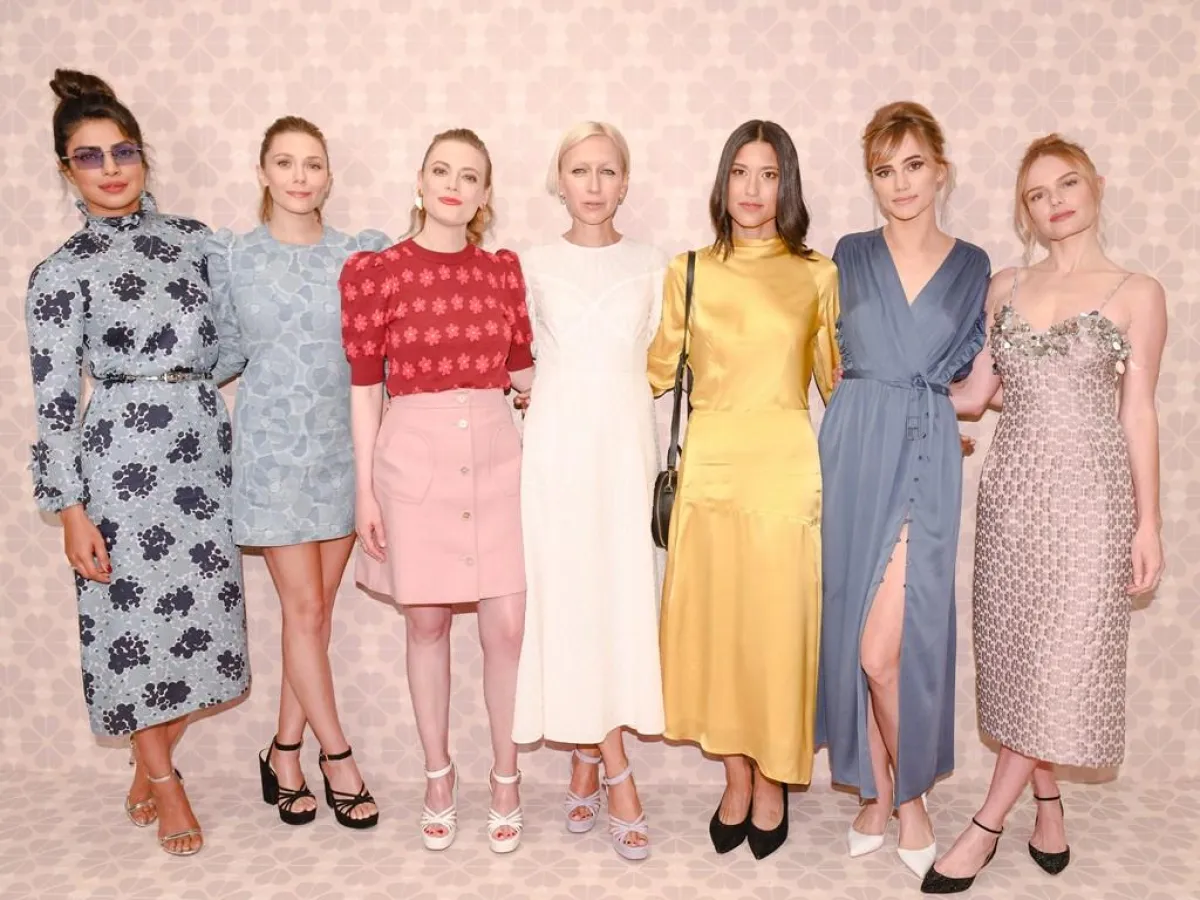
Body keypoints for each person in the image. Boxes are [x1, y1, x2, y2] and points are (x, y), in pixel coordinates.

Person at [922, 134, 1167, 894]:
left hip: (1092, 501)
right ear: (1023, 211)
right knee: (1021, 656)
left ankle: (985, 825)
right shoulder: (1004, 287)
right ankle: (1048, 799)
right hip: (1014, 497)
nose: (1054, 201)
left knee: (1065, 658)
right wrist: (881, 386)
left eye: (1066, 184)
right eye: (1036, 194)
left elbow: (1139, 412)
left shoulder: (1138, 292)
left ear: (1096, 185)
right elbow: (975, 395)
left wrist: (1149, 524)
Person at [26, 69, 249, 857]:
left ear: (143, 155)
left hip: (200, 456)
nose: (111, 168)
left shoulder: (197, 242)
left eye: (123, 150)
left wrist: (185, 390)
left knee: (206, 636)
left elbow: (233, 343)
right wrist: (70, 509)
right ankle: (164, 778)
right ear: (67, 171)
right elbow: (54, 401)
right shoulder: (60, 273)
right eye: (89, 157)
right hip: (117, 464)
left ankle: (145, 759)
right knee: (130, 629)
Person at [646, 120, 839, 861]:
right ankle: (735, 776)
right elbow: (654, 370)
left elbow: (839, 384)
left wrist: (916, 429)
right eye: (740, 172)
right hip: (711, 469)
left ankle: (773, 779)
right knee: (717, 631)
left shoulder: (817, 275)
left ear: (786, 185)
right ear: (722, 181)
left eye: (769, 174)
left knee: (778, 632)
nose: (753, 189)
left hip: (785, 469)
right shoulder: (688, 270)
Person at [339, 128, 534, 854]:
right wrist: (366, 493)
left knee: (506, 626)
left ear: (485, 195)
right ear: (419, 182)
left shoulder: (502, 273)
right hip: (412, 460)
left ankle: (506, 778)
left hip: (496, 456)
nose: (454, 185)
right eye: (442, 171)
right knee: (424, 624)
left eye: (470, 176)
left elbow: (526, 374)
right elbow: (366, 392)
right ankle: (438, 776)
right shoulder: (375, 274)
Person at [815, 102, 990, 879]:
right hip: (852, 449)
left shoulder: (976, 265)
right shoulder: (847, 254)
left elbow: (976, 386)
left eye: (913, 165)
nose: (900, 183)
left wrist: (946, 420)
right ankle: (877, 790)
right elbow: (825, 357)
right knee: (853, 623)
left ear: (940, 171)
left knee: (885, 648)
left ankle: (908, 795)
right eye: (884, 171)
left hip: (924, 454)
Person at [206, 116, 389, 829]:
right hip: (271, 455)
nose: (300, 176)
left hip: (343, 453)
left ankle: (283, 750)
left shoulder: (357, 256)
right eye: (285, 163)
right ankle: (337, 757)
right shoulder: (234, 257)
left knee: (313, 618)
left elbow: (382, 349)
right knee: (306, 613)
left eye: (312, 163)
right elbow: (221, 352)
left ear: (329, 175)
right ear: (263, 172)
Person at [512, 121, 664, 861]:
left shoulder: (655, 264)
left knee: (618, 601)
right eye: (580, 170)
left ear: (624, 183)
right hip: (557, 455)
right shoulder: (530, 265)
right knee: (569, 602)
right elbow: (517, 363)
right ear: (560, 182)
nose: (594, 184)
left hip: (626, 454)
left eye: (607, 171)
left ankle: (583, 757)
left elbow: (662, 363)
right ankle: (617, 770)